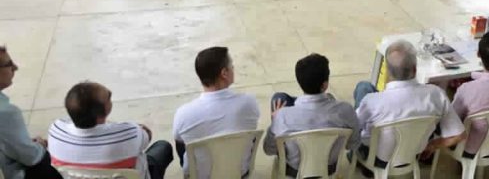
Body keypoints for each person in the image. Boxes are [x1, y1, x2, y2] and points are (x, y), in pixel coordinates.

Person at [353, 40, 465, 174]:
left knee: (364, 87)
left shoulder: (372, 101)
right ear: (415, 69)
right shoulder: (436, 94)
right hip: (413, 154)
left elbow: (353, 129)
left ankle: (360, 163)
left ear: (388, 72)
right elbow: (459, 135)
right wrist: (432, 145)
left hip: (376, 158)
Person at [48, 82, 173, 179]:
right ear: (102, 113)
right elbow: (147, 135)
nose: (110, 93)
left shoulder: (56, 130)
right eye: (109, 97)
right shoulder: (129, 134)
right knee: (163, 147)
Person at [264, 54, 360, 177]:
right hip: (329, 169)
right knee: (330, 98)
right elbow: (353, 143)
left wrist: (274, 121)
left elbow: (269, 149)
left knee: (279, 98)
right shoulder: (345, 110)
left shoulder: (282, 116)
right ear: (324, 85)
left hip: (294, 171)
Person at [173, 47, 259, 179]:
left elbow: (179, 141)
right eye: (232, 66)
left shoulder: (184, 114)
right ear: (224, 73)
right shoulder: (249, 103)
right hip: (239, 173)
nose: (233, 69)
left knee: (183, 141)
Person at [0, 45, 62, 179]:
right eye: (8, 64)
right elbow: (32, 157)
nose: (15, 67)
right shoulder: (6, 113)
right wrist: (38, 146)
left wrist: (25, 143)